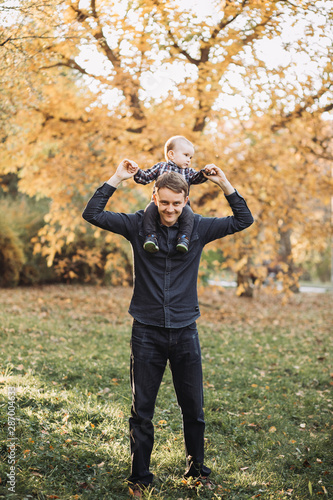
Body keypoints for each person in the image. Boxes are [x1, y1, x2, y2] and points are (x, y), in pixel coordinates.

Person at [82, 159, 254, 497]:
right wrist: (117, 177)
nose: (170, 209)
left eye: (177, 203)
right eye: (164, 202)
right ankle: (140, 476)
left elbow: (243, 220)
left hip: (185, 329)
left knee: (194, 409)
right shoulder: (135, 225)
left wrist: (225, 184)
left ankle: (196, 470)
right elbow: (93, 214)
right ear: (154, 198)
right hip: (146, 331)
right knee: (141, 410)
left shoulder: (201, 229)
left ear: (186, 200)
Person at [133, 135, 208, 254]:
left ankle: (183, 239)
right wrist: (136, 171)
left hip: (181, 205)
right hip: (159, 203)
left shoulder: (188, 172)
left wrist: (205, 173)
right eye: (186, 155)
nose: (189, 160)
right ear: (171, 154)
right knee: (149, 211)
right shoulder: (160, 167)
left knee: (189, 215)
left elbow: (197, 178)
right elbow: (145, 177)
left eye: (190, 157)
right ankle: (151, 236)